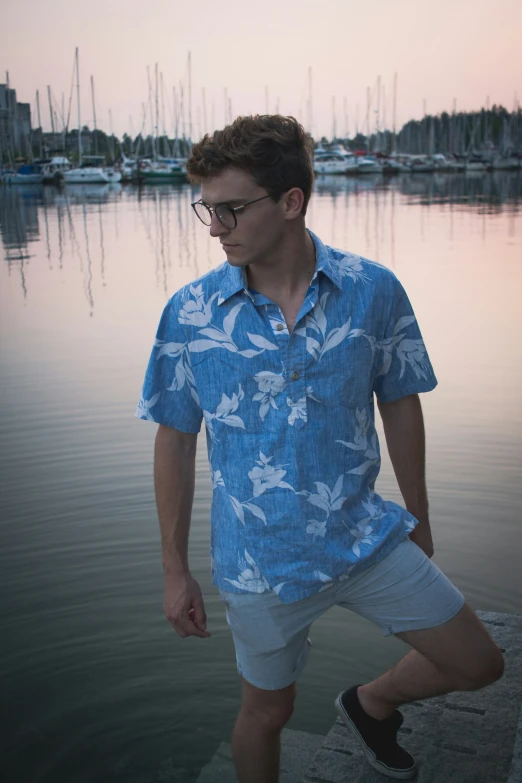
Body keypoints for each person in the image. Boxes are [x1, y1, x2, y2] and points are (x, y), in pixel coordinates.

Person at [136, 115, 504, 783]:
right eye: (206, 208)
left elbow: (399, 401)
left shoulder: (373, 291)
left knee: (480, 662)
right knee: (267, 712)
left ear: (290, 201)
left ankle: (372, 702)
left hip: (363, 535)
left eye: (229, 208)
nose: (214, 225)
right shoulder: (189, 315)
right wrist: (173, 568)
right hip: (258, 560)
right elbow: (175, 438)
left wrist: (417, 515)